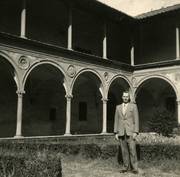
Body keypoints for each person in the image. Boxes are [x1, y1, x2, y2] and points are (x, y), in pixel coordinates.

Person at [114, 90, 139, 174]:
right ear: (122, 97)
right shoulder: (118, 107)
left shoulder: (133, 106)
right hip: (121, 132)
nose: (125, 98)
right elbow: (116, 120)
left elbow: (136, 119)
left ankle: (134, 168)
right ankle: (125, 167)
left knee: (132, 150)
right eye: (124, 96)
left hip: (130, 132)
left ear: (129, 97)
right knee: (124, 151)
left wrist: (136, 132)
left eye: (127, 97)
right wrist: (116, 132)